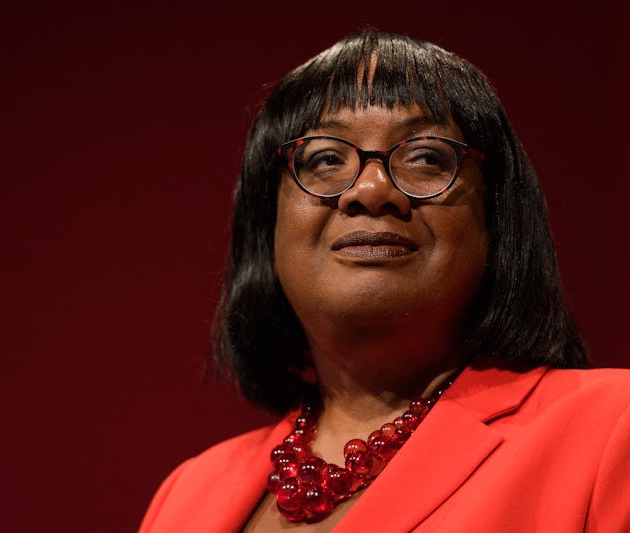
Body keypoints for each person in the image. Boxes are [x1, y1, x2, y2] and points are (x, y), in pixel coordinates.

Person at [139, 29, 630, 532]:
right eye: (326, 159)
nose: (371, 191)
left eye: (425, 157)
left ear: (498, 219)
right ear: (268, 224)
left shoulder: (614, 429)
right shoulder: (186, 495)